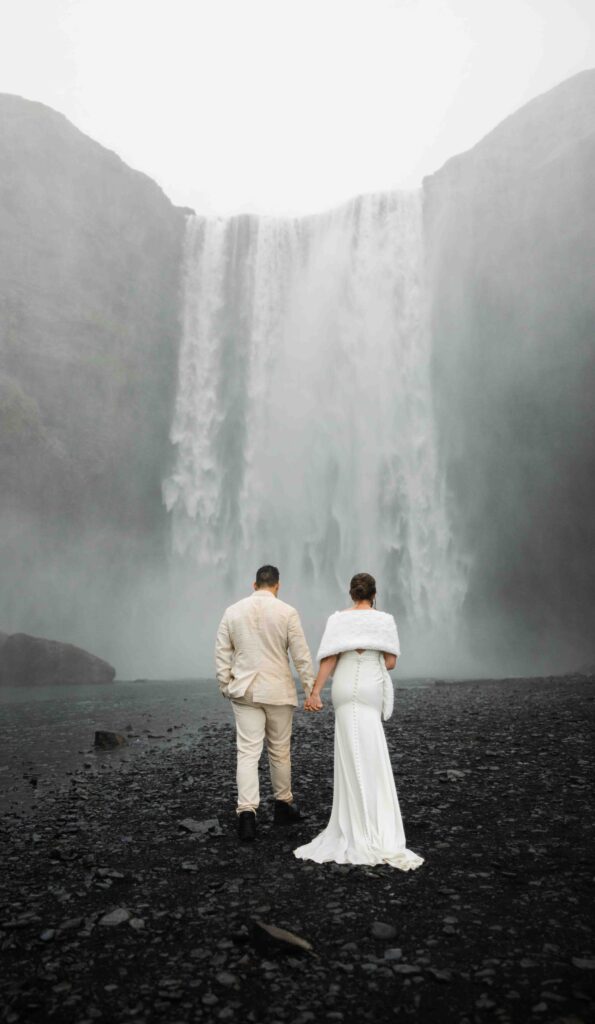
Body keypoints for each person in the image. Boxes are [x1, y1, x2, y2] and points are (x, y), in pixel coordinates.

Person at [294, 572, 423, 870]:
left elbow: (329, 659)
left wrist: (315, 692)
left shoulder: (338, 620)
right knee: (372, 750)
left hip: (343, 686)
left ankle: (352, 825)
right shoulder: (385, 620)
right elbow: (390, 662)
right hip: (369, 686)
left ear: (351, 594)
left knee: (349, 755)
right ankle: (376, 825)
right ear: (373, 594)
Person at [215, 565, 315, 842]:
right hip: (278, 690)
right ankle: (283, 805)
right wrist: (310, 690)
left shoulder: (232, 611)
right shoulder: (287, 612)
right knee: (280, 751)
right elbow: (301, 655)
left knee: (247, 752)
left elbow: (222, 651)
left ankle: (247, 815)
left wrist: (225, 684)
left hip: (245, 690)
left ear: (254, 584)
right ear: (277, 586)